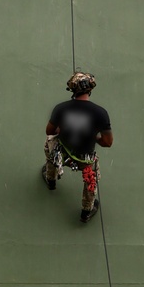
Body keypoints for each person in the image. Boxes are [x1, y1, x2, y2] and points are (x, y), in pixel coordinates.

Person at [42, 71, 112, 222]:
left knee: (51, 147)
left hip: (63, 151)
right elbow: (107, 142)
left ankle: (51, 179)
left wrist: (61, 129)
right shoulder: (100, 113)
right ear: (90, 89)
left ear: (72, 89)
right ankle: (86, 211)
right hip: (84, 158)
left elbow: (49, 131)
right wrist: (95, 137)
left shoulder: (60, 108)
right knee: (90, 179)